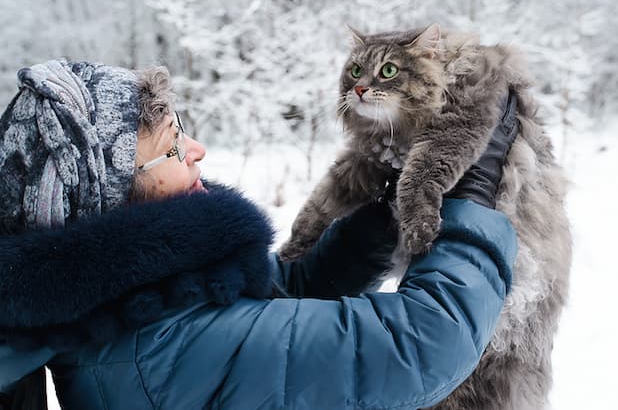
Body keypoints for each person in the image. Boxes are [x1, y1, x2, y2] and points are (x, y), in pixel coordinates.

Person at [0, 59, 518, 410]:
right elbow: (422, 341)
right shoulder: (153, 350)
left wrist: (379, 221)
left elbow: (280, 296)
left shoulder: (127, 298)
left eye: (183, 127)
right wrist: (470, 196)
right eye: (172, 145)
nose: (198, 148)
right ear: (109, 195)